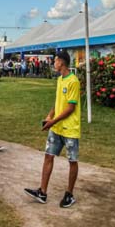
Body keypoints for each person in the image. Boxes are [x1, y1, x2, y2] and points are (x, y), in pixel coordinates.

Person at [24, 51, 80, 209]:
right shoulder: (60, 79)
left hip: (70, 128)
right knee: (48, 156)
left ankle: (69, 194)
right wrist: (50, 116)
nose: (53, 63)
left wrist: (52, 121)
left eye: (55, 61)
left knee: (72, 161)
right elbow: (58, 102)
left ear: (61, 62)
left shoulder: (73, 81)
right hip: (56, 127)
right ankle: (42, 192)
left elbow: (70, 108)